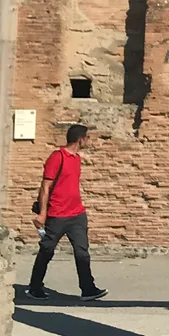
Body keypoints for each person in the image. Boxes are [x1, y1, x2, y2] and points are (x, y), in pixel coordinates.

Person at [28, 124, 106, 301]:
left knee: (82, 252)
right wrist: (42, 213)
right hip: (57, 215)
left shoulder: (77, 159)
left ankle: (88, 289)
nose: (88, 141)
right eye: (87, 137)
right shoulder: (57, 157)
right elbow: (45, 186)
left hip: (77, 215)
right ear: (80, 139)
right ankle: (34, 287)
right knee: (47, 250)